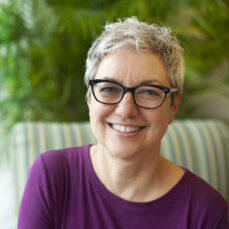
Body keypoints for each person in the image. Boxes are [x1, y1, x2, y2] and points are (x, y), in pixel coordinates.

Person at [18, 17, 228, 229]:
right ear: (90, 98)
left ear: (173, 106)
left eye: (148, 92)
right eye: (109, 88)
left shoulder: (207, 213)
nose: (126, 110)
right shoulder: (52, 176)